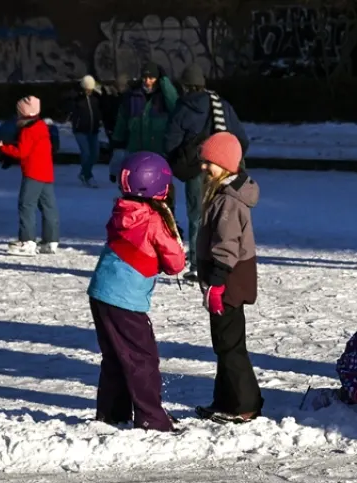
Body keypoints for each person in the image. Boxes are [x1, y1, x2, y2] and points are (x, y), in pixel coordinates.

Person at [85, 152, 186, 432]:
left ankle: (112, 413)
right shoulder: (153, 219)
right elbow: (176, 262)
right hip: (124, 300)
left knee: (116, 356)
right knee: (143, 358)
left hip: (101, 291)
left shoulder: (122, 210)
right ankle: (152, 418)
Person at [193, 132, 263, 425]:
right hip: (224, 279)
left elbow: (226, 246)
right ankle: (225, 400)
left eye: (209, 163)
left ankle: (246, 404)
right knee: (223, 343)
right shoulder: (223, 194)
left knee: (231, 345)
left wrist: (218, 282)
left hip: (230, 281)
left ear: (224, 164)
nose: (203, 168)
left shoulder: (229, 202)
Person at [164, 63, 249, 281]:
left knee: (197, 217)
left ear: (185, 87)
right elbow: (241, 139)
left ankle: (197, 263)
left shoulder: (183, 108)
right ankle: (226, 261)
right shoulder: (222, 105)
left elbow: (170, 142)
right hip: (223, 171)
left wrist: (180, 161)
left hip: (196, 170)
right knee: (225, 215)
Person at [0, 96, 60, 256]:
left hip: (33, 173)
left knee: (26, 205)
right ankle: (50, 241)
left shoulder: (28, 130)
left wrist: (3, 147)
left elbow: (22, 152)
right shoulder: (42, 126)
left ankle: (27, 241)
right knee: (48, 207)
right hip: (47, 173)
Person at [110, 64, 178, 181]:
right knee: (136, 182)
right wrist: (118, 140)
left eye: (151, 78)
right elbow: (123, 119)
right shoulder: (132, 96)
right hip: (136, 148)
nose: (147, 81)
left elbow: (175, 105)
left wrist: (165, 82)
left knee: (159, 183)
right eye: (145, 78)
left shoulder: (164, 96)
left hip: (157, 150)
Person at [68, 75, 104, 187]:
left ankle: (84, 173)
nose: (89, 91)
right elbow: (69, 106)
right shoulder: (77, 98)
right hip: (80, 130)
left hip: (93, 129)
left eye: (90, 89)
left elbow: (101, 108)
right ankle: (88, 176)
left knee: (95, 154)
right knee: (86, 153)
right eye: (86, 89)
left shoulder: (95, 98)